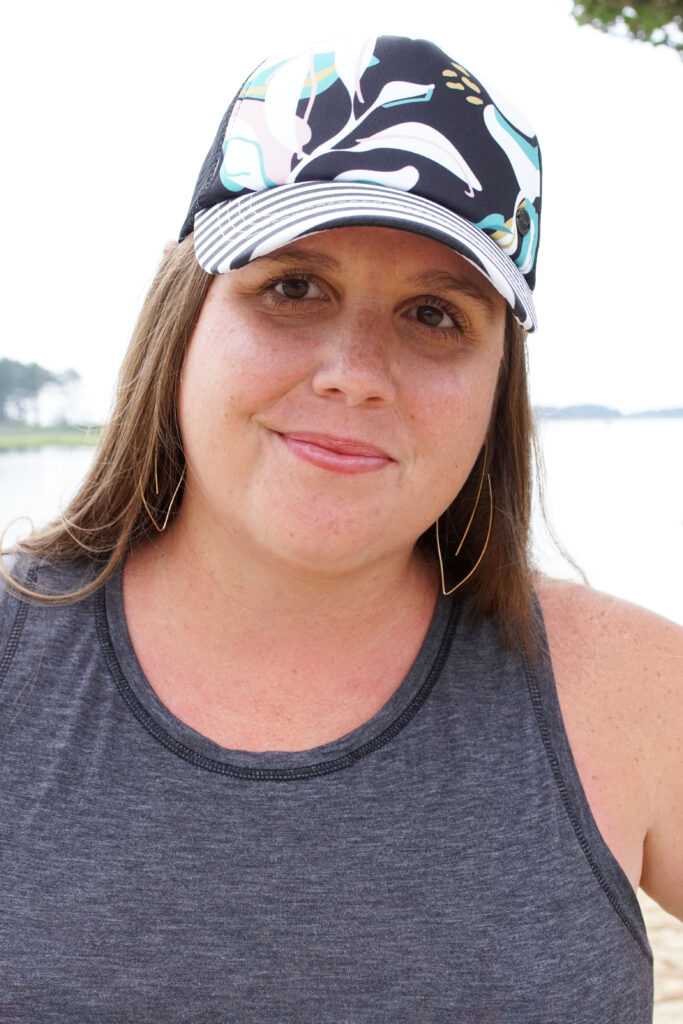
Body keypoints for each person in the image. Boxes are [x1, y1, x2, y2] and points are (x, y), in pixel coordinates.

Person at [0, 34, 680, 1023]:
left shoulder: (625, 692)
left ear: (498, 380)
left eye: (434, 314)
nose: (352, 370)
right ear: (182, 312)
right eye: (292, 287)